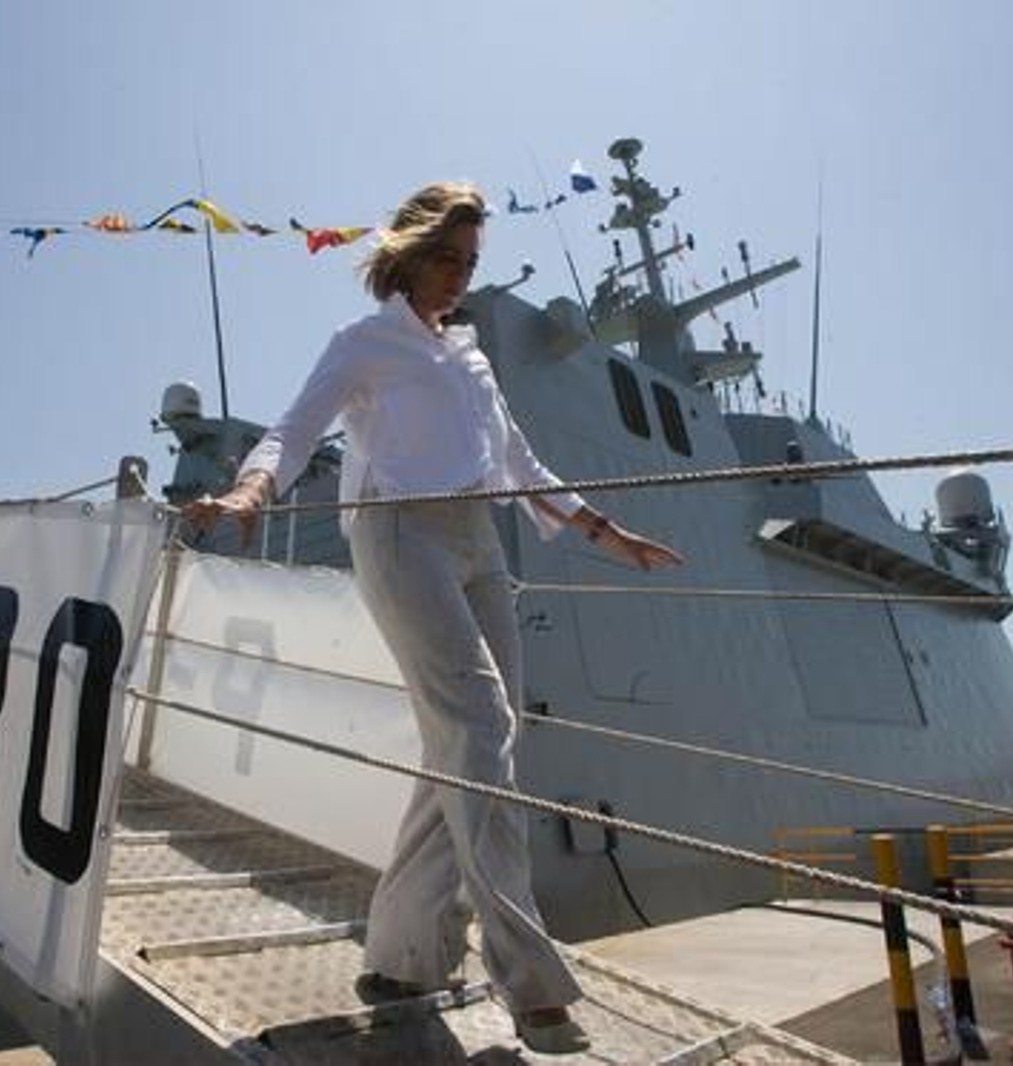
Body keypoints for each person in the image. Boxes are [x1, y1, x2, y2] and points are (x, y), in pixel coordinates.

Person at [185, 181, 682, 1055]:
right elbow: (294, 428)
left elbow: (521, 465)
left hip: (479, 545)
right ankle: (527, 977)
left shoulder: (472, 359)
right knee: (478, 725)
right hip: (397, 531)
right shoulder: (366, 343)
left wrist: (607, 532)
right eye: (445, 258)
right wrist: (254, 487)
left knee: (472, 744)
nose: (457, 277)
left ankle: (401, 955)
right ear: (407, 255)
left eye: (469, 263)